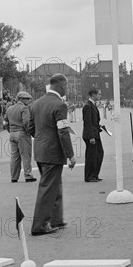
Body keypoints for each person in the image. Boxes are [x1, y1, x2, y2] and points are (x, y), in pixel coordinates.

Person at [29, 74, 76, 236]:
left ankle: (56, 219)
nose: (67, 89)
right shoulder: (59, 105)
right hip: (53, 153)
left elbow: (30, 127)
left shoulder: (36, 103)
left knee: (55, 186)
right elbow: (63, 132)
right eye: (67, 86)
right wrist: (71, 155)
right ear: (62, 85)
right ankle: (40, 225)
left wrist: (42, 140)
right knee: (48, 188)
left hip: (40, 151)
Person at [4, 91, 37, 183]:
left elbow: (5, 122)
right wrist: (29, 132)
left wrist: (10, 130)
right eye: (27, 99)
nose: (29, 101)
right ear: (21, 99)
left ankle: (14, 177)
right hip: (22, 133)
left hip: (12, 133)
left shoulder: (9, 109)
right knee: (26, 155)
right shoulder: (24, 108)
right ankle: (28, 175)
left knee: (15, 156)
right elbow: (26, 122)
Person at [82, 89, 104, 182]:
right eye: (99, 94)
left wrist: (99, 127)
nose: (100, 96)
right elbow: (87, 122)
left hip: (95, 133)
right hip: (91, 135)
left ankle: (95, 174)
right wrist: (91, 136)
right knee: (91, 156)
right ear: (93, 95)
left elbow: (94, 121)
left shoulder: (93, 105)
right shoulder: (88, 106)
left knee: (99, 154)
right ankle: (89, 176)